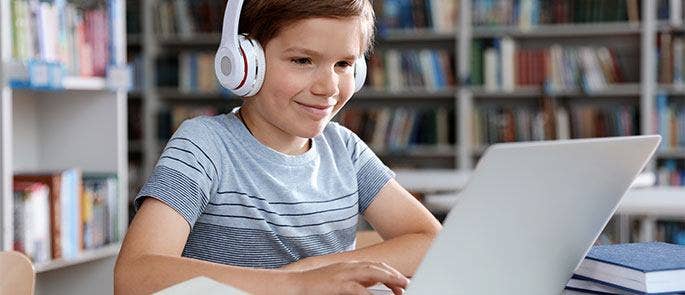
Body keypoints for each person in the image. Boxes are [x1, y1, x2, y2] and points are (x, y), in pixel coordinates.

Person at [114, 0, 441, 294]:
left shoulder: (345, 150)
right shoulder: (204, 147)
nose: (327, 87)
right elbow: (133, 275)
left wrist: (317, 270)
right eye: (302, 60)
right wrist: (296, 285)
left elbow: (431, 239)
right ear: (245, 62)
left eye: (343, 64)